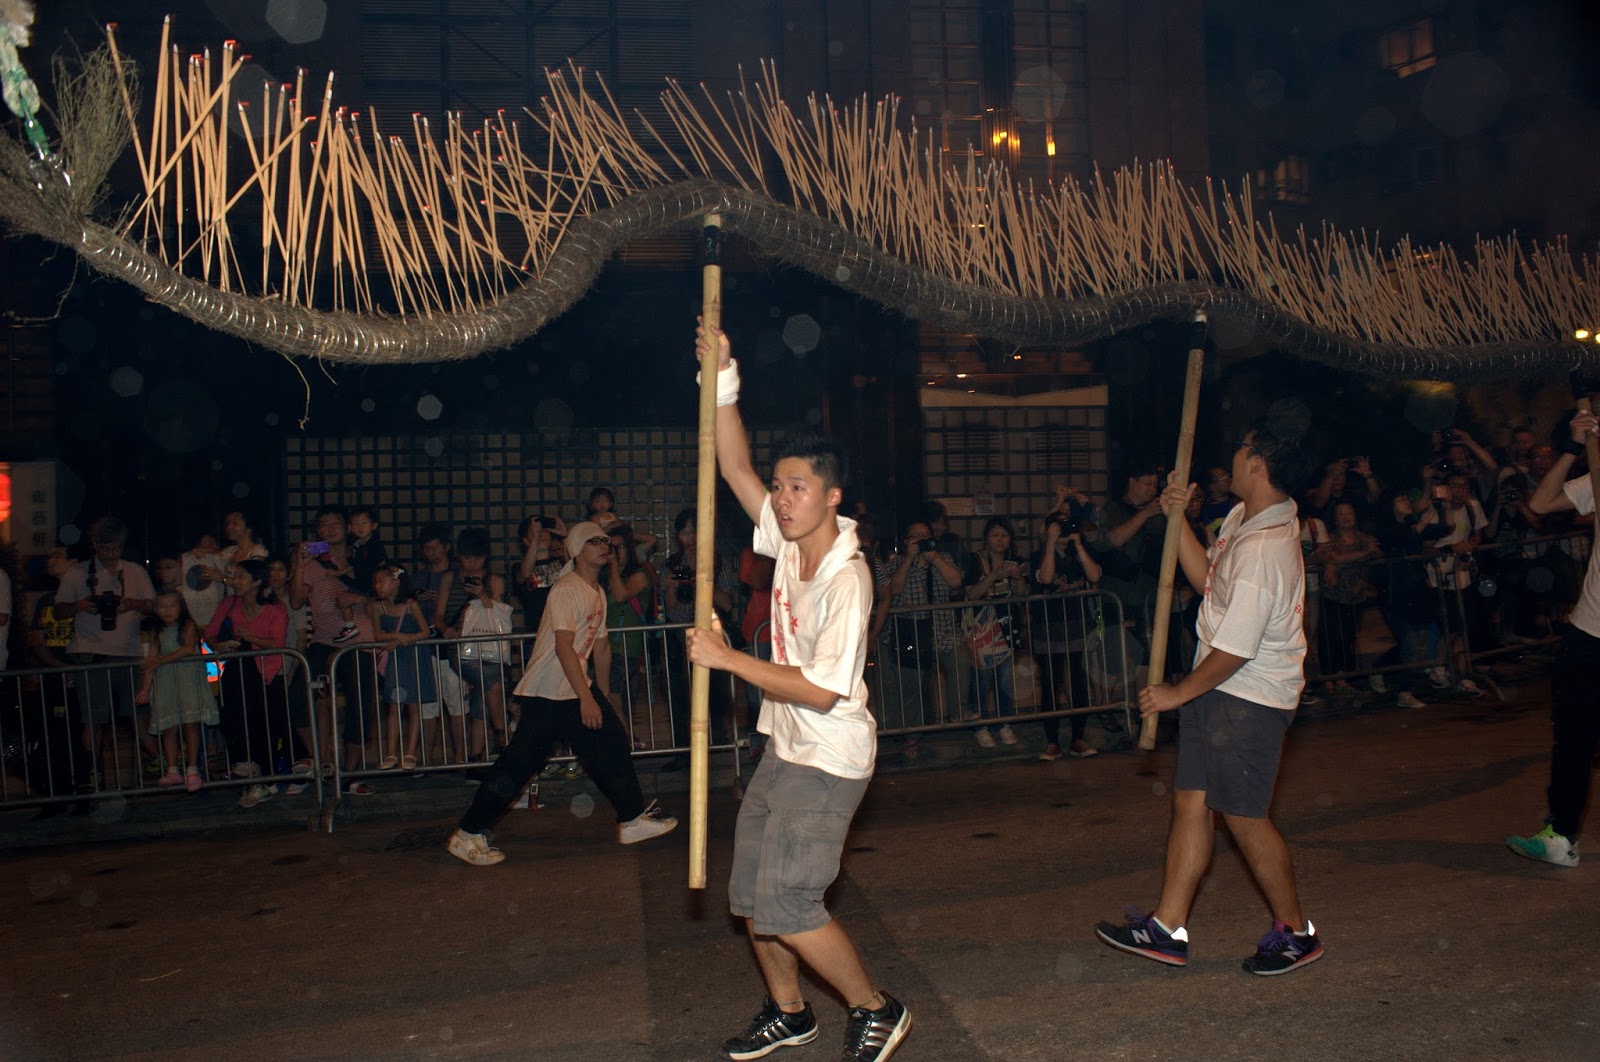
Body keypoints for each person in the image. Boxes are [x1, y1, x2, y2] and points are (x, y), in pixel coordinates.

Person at [685, 321, 912, 1062]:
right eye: (780, 487)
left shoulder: (848, 579)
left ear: (832, 496)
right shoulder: (785, 540)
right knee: (753, 897)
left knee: (789, 903)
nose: (781, 500)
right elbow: (732, 464)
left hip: (828, 760)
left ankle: (876, 1008)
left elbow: (819, 692)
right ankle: (789, 1012)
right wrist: (722, 376)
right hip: (784, 749)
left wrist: (727, 658)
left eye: (798, 488)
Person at [1095, 414, 1324, 977]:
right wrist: (1177, 519)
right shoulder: (1247, 517)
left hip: (1249, 698)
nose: (1233, 456)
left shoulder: (1266, 547)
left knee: (1244, 817)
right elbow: (1208, 584)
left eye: (1243, 447)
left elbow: (1238, 648)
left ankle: (1296, 933)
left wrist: (1177, 693)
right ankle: (1167, 928)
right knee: (1192, 803)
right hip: (1219, 689)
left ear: (1258, 464)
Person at [445, 520, 678, 865]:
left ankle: (631, 818)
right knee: (519, 764)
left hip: (570, 688)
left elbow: (601, 647)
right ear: (577, 550)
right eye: (594, 541)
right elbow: (564, 646)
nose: (604, 545)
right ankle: (468, 833)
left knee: (611, 742)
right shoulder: (567, 589)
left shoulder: (596, 591)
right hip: (548, 691)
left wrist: (600, 695)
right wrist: (587, 697)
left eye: (605, 541)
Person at [1506, 407, 1600, 867]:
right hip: (1588, 631)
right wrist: (1572, 448)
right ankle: (1560, 835)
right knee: (1573, 739)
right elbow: (1541, 505)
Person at [57, 517, 157, 786]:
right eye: (105, 547)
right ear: (95, 545)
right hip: (90, 652)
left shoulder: (134, 571)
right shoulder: (78, 573)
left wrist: (131, 603)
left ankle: (156, 760)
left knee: (138, 713)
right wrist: (79, 606)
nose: (110, 553)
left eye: (115, 547)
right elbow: (59, 610)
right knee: (93, 717)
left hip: (128, 652)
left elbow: (154, 606)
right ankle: (93, 772)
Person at [208, 559, 294, 807]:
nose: (235, 581)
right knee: (235, 716)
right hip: (240, 670)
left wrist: (251, 638)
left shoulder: (275, 608)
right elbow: (210, 633)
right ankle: (251, 773)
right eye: (234, 576)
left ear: (257, 581)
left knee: (264, 725)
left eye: (241, 576)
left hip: (267, 671)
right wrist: (219, 646)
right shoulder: (229, 603)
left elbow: (277, 642)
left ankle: (265, 778)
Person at [1030, 513, 1104, 760]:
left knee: (1078, 682)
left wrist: (1079, 544)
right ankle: (1052, 742)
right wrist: (1051, 543)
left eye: (1067, 524)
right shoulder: (1037, 556)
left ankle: (1077, 739)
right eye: (1058, 524)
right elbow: (1047, 578)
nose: (1063, 529)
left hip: (1076, 625)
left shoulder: (1079, 553)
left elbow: (1094, 576)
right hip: (1048, 627)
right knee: (1051, 684)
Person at [136, 591, 216, 793]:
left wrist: (160, 661)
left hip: (187, 680)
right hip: (166, 682)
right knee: (169, 726)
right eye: (162, 606)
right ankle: (172, 769)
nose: (168, 611)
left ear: (181, 607)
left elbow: (188, 649)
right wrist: (145, 689)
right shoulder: (157, 631)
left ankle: (192, 769)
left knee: (190, 725)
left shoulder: (188, 626)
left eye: (172, 605)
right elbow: (151, 661)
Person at [962, 516, 1025, 748]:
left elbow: (1022, 595)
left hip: (1006, 626)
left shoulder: (1016, 562)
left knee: (1005, 677)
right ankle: (980, 725)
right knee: (982, 678)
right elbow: (971, 594)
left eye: (1005, 535)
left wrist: (1018, 578)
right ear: (986, 538)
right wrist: (992, 577)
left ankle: (1003, 722)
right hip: (981, 629)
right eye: (995, 535)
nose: (1000, 540)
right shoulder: (974, 560)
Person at [369, 564, 434, 771]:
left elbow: (425, 632)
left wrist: (400, 640)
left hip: (413, 657)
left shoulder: (411, 605)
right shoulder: (376, 607)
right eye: (376, 582)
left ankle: (410, 753)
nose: (377, 586)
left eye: (382, 581)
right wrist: (397, 637)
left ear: (396, 582)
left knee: (413, 706)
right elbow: (377, 635)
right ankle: (391, 753)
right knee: (394, 706)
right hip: (395, 659)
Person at [333, 506, 388, 644]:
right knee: (342, 600)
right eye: (356, 524)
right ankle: (350, 626)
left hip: (371, 585)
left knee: (372, 609)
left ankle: (381, 630)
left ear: (374, 526)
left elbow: (375, 565)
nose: (360, 527)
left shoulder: (372, 545)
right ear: (350, 527)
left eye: (363, 523)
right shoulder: (355, 545)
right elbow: (353, 565)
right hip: (361, 583)